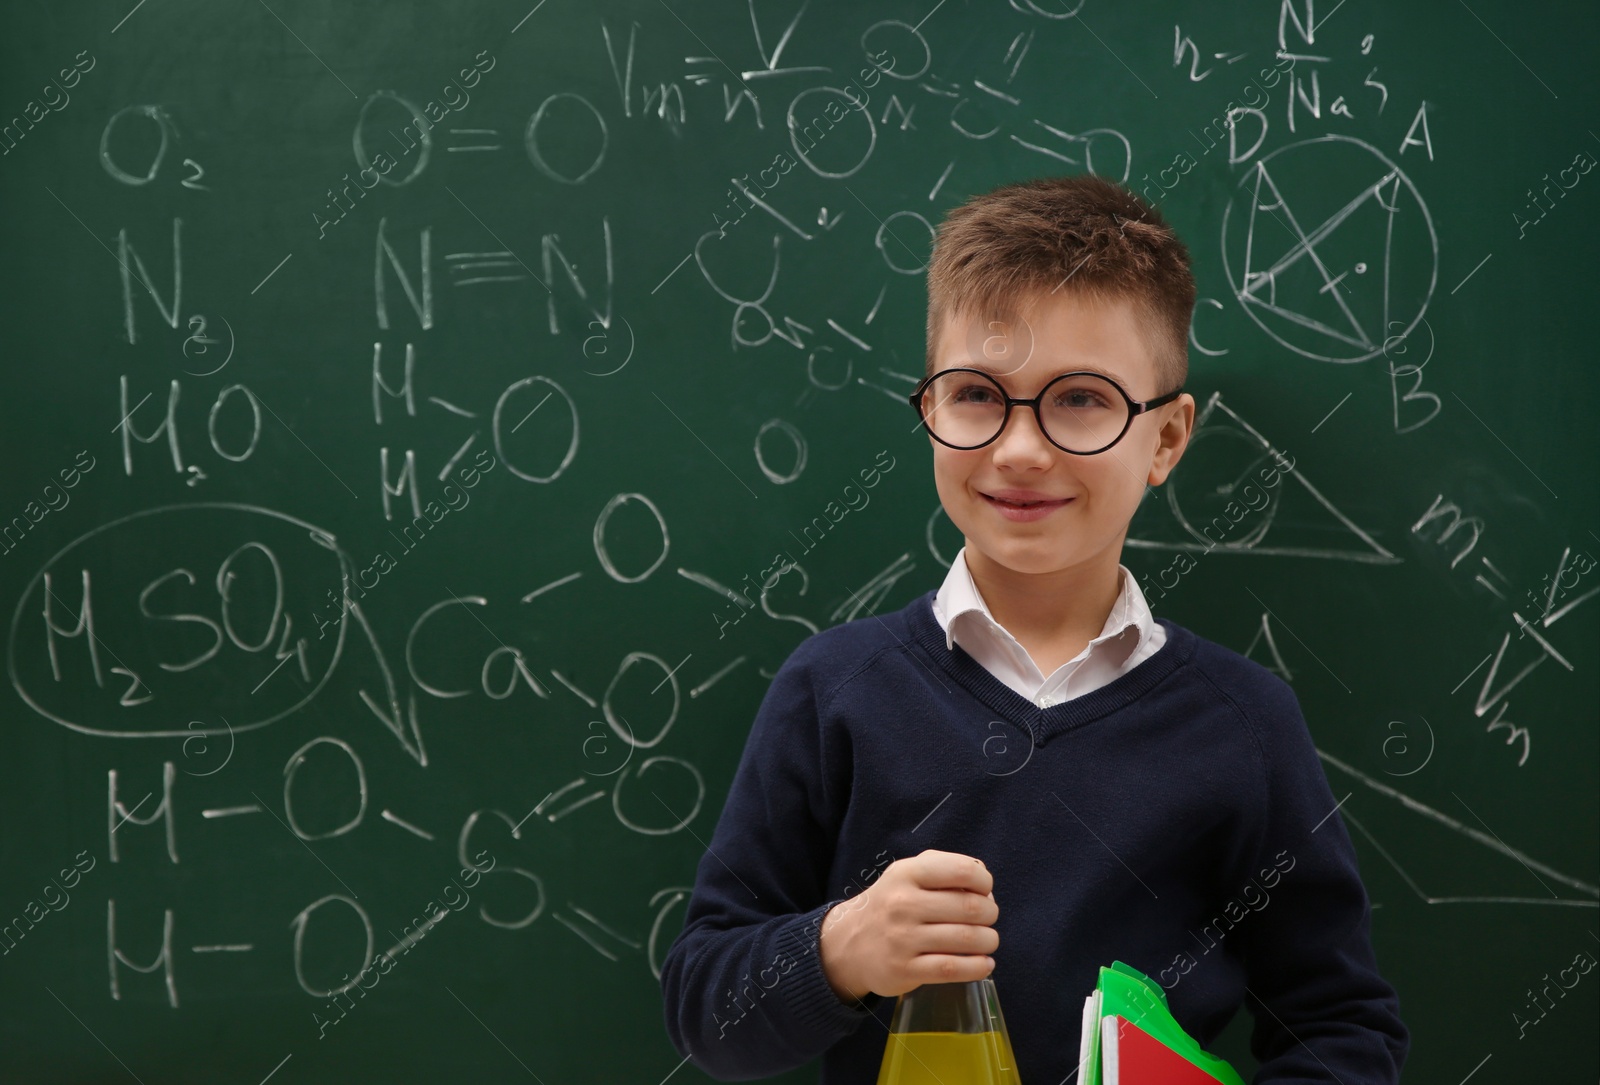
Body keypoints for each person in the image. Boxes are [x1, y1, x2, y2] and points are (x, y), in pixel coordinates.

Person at [659, 174, 1408, 1083]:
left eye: (1082, 399)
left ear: (1166, 440)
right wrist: (842, 946)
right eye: (976, 393)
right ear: (930, 409)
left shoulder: (1245, 724)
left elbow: (1341, 1028)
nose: (1020, 448)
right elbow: (705, 1008)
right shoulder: (833, 691)